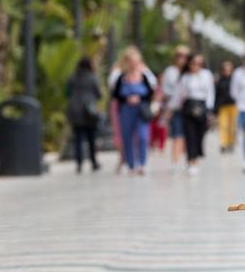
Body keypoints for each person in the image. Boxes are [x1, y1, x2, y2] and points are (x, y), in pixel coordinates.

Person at [111, 47, 156, 175]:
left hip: (141, 109)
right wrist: (127, 98)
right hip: (126, 110)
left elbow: (151, 92)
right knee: (127, 137)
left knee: (142, 136)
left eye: (136, 61)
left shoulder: (144, 76)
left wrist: (139, 98)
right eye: (131, 61)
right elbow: (115, 95)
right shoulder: (121, 77)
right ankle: (131, 164)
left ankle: (142, 163)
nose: (134, 64)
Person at [178, 52, 215, 175]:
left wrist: (210, 110)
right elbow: (180, 94)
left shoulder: (206, 75)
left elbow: (210, 92)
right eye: (194, 63)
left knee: (200, 132)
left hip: (202, 106)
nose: (196, 66)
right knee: (190, 135)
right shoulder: (185, 77)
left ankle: (197, 154)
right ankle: (191, 160)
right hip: (188, 106)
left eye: (199, 64)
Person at [66, 57, 102, 173]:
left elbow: (67, 93)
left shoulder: (72, 78)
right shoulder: (93, 78)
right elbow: (99, 94)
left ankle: (79, 163)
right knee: (91, 138)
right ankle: (93, 161)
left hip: (75, 111)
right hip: (89, 111)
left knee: (78, 138)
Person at [160, 45, 190, 171]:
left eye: (185, 57)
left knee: (189, 135)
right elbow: (165, 89)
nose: (182, 59)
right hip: (176, 108)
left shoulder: (191, 71)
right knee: (177, 134)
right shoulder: (170, 71)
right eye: (179, 56)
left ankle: (189, 160)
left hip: (190, 107)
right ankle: (175, 160)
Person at [215, 60, 238, 153]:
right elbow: (216, 95)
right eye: (225, 69)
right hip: (223, 106)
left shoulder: (235, 80)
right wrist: (215, 109)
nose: (227, 71)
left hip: (233, 105)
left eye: (228, 69)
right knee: (223, 125)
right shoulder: (219, 81)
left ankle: (231, 143)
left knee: (232, 126)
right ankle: (223, 143)